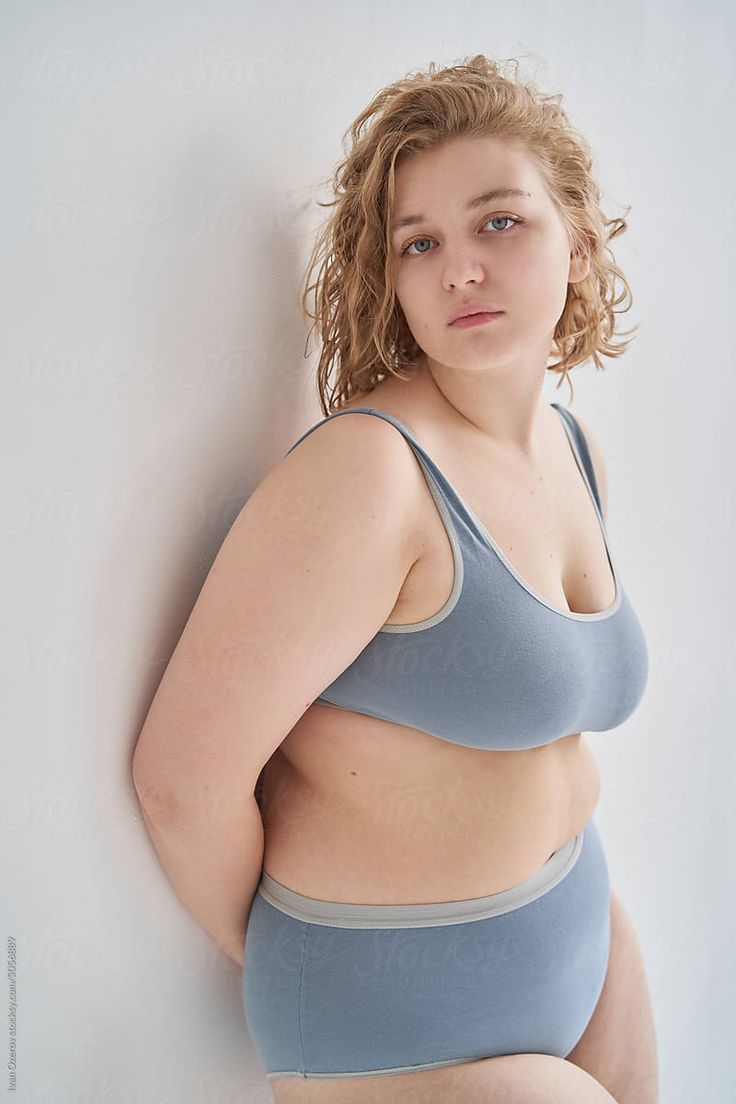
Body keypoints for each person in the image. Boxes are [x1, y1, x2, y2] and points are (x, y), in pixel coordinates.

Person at [132, 55, 659, 1103]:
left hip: (580, 934)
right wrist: (318, 964)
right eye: (419, 243)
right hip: (397, 1023)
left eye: (497, 222)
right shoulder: (370, 472)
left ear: (580, 243)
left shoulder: (573, 449)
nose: (458, 267)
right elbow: (182, 784)